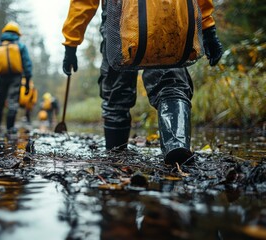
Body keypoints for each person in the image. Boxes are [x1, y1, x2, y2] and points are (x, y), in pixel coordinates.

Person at [62, 0, 223, 165]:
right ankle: (177, 147)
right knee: (170, 81)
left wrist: (71, 42)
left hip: (121, 14)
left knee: (117, 90)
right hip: (168, 12)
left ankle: (116, 156)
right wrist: (208, 28)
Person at [0, 21, 32, 135]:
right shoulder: (20, 46)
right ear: (17, 33)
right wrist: (27, 81)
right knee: (13, 102)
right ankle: (10, 128)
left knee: (0, 102)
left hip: (0, 76)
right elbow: (27, 64)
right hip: (15, 77)